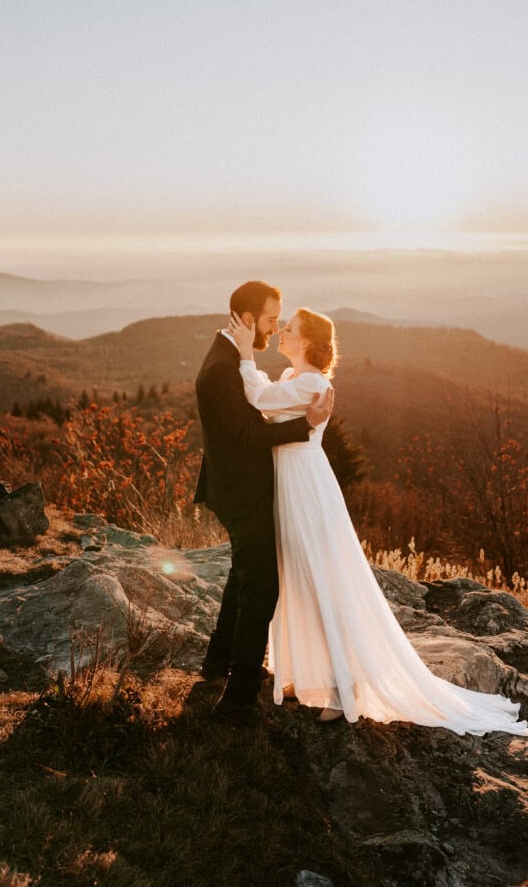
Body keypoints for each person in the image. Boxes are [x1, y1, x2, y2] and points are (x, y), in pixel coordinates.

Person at [228, 306, 528, 736]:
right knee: (293, 575)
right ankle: (304, 671)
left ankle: (342, 684)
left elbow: (257, 398)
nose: (281, 331)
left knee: (319, 580)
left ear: (309, 340)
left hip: (306, 488)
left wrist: (244, 353)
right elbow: (267, 395)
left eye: (290, 329)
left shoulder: (313, 383)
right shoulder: (291, 380)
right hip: (291, 484)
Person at [193, 281, 334, 728]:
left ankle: (218, 664)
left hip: (247, 487)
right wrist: (304, 427)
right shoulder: (223, 367)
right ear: (250, 320)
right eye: (273, 320)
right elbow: (248, 435)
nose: (275, 330)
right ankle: (238, 699)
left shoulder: (230, 356)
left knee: (243, 576)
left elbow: (261, 404)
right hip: (242, 491)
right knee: (262, 589)